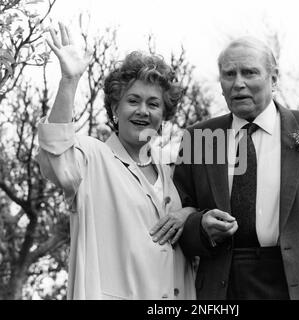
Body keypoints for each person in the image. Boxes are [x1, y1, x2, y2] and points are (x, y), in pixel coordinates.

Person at [173, 36, 299, 300]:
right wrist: (200, 228)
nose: (238, 83)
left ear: (274, 78)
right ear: (221, 84)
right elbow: (178, 226)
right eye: (229, 74)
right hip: (223, 290)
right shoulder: (198, 138)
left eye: (250, 72)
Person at [37, 22, 196, 300]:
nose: (143, 111)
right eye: (133, 100)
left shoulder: (173, 169)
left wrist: (187, 214)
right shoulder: (92, 155)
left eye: (154, 104)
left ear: (164, 116)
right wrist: (69, 82)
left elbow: (198, 216)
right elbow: (56, 156)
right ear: (115, 108)